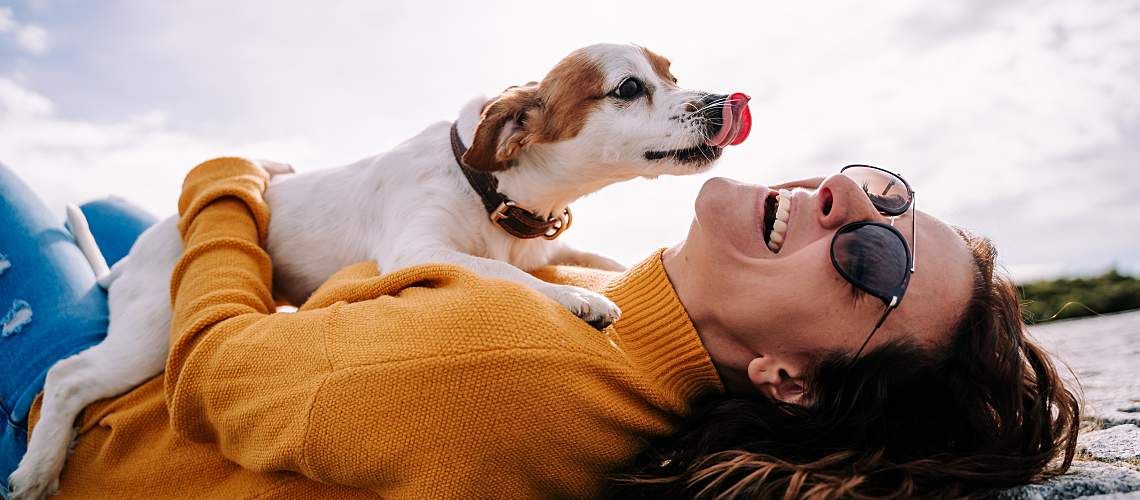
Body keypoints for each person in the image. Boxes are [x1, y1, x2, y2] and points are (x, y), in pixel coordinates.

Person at [0, 158, 1078, 498]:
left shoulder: (506, 366)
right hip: (176, 358)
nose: (848, 205)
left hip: (98, 429)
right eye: (882, 192)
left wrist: (228, 183)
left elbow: (217, 372)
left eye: (871, 262)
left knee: (28, 195)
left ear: (786, 377)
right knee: (106, 220)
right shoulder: (617, 306)